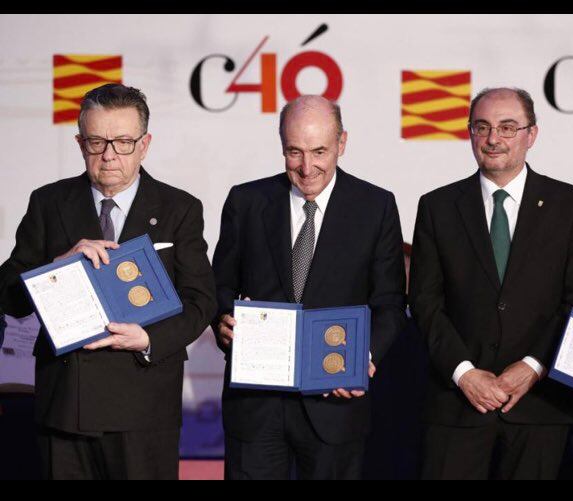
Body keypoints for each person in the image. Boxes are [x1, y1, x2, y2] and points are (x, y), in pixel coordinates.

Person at [0, 83, 217, 480]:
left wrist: (148, 339)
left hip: (145, 407)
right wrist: (56, 268)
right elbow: (8, 293)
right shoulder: (48, 203)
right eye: (97, 142)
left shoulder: (179, 208)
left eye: (123, 142)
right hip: (66, 406)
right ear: (80, 143)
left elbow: (200, 301)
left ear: (144, 145)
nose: (109, 155)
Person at [212, 95, 407, 480]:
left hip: (335, 405)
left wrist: (362, 358)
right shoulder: (246, 201)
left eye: (319, 152)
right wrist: (223, 319)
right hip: (256, 406)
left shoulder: (375, 206)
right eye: (294, 152)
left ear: (342, 143)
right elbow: (220, 285)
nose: (306, 167)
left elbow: (389, 303)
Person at [408, 87, 573, 480]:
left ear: (532, 134)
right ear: (470, 133)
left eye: (508, 127)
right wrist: (464, 372)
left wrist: (533, 366)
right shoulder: (437, 207)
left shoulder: (570, 205)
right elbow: (425, 303)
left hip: (540, 404)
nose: (493, 138)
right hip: (457, 404)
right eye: (482, 127)